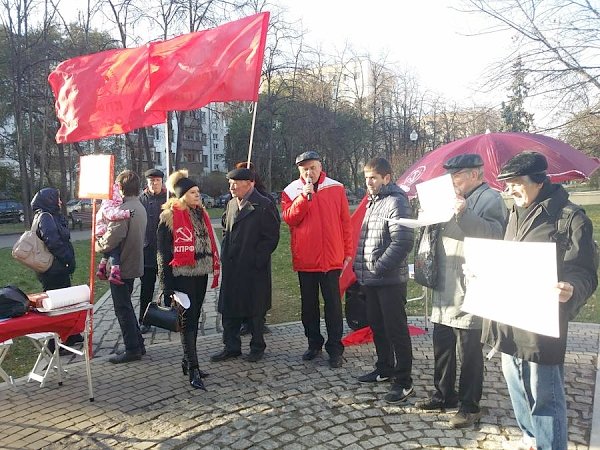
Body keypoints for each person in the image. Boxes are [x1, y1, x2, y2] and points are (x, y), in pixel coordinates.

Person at [481, 152, 597, 450]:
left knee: (544, 393)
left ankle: (550, 445)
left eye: (516, 183)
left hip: (541, 323)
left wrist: (572, 287)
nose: (510, 191)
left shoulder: (570, 218)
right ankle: (531, 438)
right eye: (507, 185)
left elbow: (584, 271)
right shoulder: (515, 213)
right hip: (508, 317)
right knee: (515, 383)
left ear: (539, 181)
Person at [415, 154, 507, 428]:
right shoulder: (450, 198)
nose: (452, 181)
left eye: (457, 175)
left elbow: (494, 234)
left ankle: (470, 406)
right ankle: (444, 394)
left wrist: (464, 213)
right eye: (450, 175)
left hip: (471, 287)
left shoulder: (491, 198)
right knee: (442, 344)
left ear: (476, 174)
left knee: (469, 352)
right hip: (444, 284)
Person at [281, 150, 352, 368]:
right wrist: (304, 196)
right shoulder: (291, 190)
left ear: (320, 166)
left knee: (333, 305)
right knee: (309, 305)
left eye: (313, 167)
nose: (309, 172)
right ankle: (314, 344)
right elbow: (290, 219)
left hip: (332, 258)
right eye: (305, 169)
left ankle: (335, 348)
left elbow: (345, 222)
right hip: (307, 259)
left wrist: (347, 252)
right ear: (299, 170)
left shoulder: (336, 187)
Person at [353, 157, 415, 404]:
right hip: (372, 280)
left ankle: (404, 381)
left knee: (396, 330)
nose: (369, 182)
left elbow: (403, 241)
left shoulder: (396, 202)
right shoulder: (373, 202)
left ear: (387, 178)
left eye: (374, 178)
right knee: (378, 327)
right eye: (366, 177)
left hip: (389, 280)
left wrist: (378, 267)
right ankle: (384, 368)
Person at [157, 170, 220, 390]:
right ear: (182, 195)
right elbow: (163, 253)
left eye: (198, 192)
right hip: (182, 275)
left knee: (194, 317)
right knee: (187, 321)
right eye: (193, 192)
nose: (198, 195)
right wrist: (166, 286)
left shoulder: (200, 213)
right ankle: (193, 367)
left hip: (200, 273)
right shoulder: (170, 216)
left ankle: (188, 361)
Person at [211, 168, 280, 363]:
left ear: (249, 183)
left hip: (253, 269)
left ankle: (257, 347)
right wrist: (225, 251)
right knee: (229, 308)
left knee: (255, 310)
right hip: (233, 266)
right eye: (230, 183)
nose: (231, 187)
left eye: (236, 183)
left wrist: (257, 259)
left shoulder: (264, 204)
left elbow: (271, 237)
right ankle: (231, 346)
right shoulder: (232, 203)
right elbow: (226, 229)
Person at [96, 170, 147, 364]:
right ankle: (138, 343)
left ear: (121, 188)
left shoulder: (122, 211)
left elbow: (110, 241)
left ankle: (132, 348)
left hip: (121, 266)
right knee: (127, 306)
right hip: (133, 262)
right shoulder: (139, 206)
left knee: (122, 309)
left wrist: (97, 244)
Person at [31, 188, 82, 351]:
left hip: (56, 268)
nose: (60, 202)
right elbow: (52, 241)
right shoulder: (46, 217)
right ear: (49, 200)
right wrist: (67, 258)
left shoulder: (49, 215)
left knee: (65, 303)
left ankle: (71, 336)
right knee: (56, 307)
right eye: (57, 199)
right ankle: (55, 344)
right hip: (53, 269)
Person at [234, 161, 279, 336]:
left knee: (258, 293)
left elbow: (271, 231)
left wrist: (260, 255)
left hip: (256, 255)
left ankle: (258, 322)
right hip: (239, 256)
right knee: (242, 291)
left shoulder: (263, 199)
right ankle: (245, 320)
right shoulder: (234, 199)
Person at [139, 168, 168, 334]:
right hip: (147, 251)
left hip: (165, 250)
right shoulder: (141, 199)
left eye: (157, 181)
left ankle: (172, 317)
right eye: (151, 181)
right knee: (146, 288)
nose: (154, 183)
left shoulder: (168, 198)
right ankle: (145, 319)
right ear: (147, 182)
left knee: (168, 286)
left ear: (161, 182)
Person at [95, 181, 133, 285]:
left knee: (107, 252)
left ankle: (101, 269)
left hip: (100, 231)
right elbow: (113, 215)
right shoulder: (108, 206)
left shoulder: (104, 204)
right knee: (114, 251)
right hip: (103, 231)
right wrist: (127, 213)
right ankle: (114, 273)